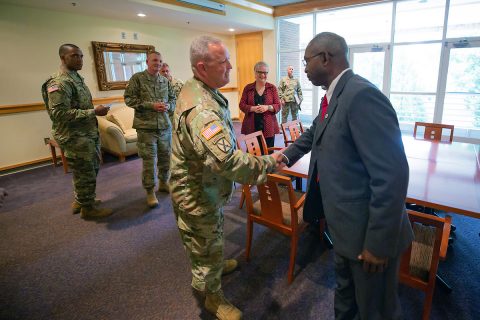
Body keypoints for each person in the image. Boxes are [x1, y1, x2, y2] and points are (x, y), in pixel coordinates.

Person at [277, 32, 413, 319]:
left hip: (368, 236)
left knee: (374, 309)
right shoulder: (335, 94)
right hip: (345, 227)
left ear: (325, 58)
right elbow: (315, 131)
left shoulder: (361, 95)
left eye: (306, 61)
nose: (303, 68)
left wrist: (377, 243)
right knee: (346, 297)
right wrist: (285, 155)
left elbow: (391, 175)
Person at [170, 36, 283, 320]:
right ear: (201, 66)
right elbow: (227, 161)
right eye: (223, 63)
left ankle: (214, 265)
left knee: (211, 238)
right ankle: (213, 297)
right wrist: (269, 163)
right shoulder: (202, 110)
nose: (231, 67)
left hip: (205, 185)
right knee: (204, 243)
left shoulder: (200, 88)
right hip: (196, 192)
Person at [42, 44, 113, 220]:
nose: (80, 59)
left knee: (84, 170)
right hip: (75, 137)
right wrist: (94, 112)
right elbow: (59, 114)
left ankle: (81, 200)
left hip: (85, 134)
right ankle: (88, 209)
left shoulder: (75, 78)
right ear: (63, 58)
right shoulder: (59, 82)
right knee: (86, 170)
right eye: (75, 56)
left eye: (81, 56)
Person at [124, 51, 176, 208]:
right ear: (147, 61)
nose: (158, 63)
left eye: (160, 61)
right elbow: (129, 99)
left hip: (164, 127)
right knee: (149, 161)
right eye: (155, 60)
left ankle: (163, 183)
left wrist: (168, 106)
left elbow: (173, 99)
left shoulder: (165, 81)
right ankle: (149, 191)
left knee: (166, 157)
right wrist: (150, 106)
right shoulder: (137, 79)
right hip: (146, 128)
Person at [239, 61, 281, 150]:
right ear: (255, 72)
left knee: (268, 152)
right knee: (252, 153)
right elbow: (242, 105)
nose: (263, 75)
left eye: (265, 72)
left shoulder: (272, 88)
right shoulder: (248, 88)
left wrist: (268, 107)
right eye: (260, 72)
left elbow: (278, 105)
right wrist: (252, 108)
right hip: (251, 126)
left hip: (269, 127)